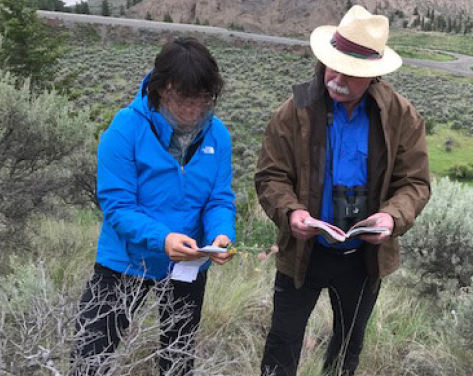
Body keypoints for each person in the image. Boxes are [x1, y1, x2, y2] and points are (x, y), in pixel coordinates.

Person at [255, 5, 430, 376]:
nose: (337, 77)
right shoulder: (294, 110)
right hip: (303, 251)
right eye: (333, 65)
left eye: (352, 74)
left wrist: (391, 216)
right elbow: (271, 176)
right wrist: (292, 213)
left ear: (373, 76)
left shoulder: (401, 116)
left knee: (348, 346)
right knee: (282, 343)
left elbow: (414, 183)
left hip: (364, 257)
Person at [71, 37, 235, 376]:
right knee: (90, 356)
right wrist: (163, 239)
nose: (192, 111)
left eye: (203, 100)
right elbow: (118, 207)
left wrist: (221, 234)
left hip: (188, 263)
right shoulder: (125, 128)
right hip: (124, 262)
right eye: (183, 100)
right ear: (161, 89)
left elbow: (219, 199)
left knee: (177, 359)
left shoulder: (217, 135)